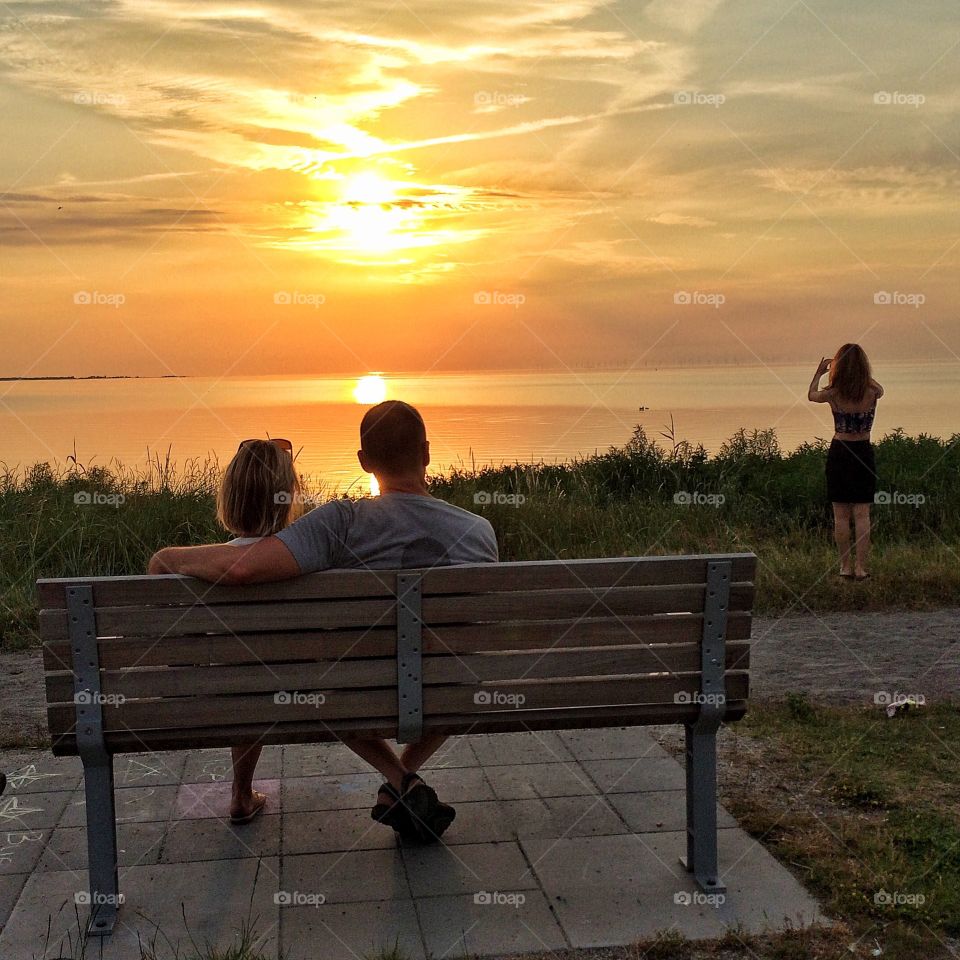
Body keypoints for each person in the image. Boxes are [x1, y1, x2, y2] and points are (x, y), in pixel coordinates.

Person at [148, 401, 498, 843]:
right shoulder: (479, 531)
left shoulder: (341, 521)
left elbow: (244, 567)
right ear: (427, 453)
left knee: (323, 672)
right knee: (447, 665)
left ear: (364, 462)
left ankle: (401, 780)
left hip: (353, 692)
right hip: (453, 691)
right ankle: (402, 778)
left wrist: (169, 557)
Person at [217, 437, 302, 823]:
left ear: (230, 498)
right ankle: (400, 779)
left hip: (226, 698)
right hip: (314, 698)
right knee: (256, 680)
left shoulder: (205, 568)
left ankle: (240, 793)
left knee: (244, 681)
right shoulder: (308, 563)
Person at [808, 344, 883, 580]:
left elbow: (811, 395)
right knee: (862, 514)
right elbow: (880, 389)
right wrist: (861, 373)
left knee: (840, 515)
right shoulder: (872, 391)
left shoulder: (833, 393)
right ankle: (861, 568)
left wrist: (819, 373)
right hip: (863, 451)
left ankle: (845, 567)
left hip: (840, 451)